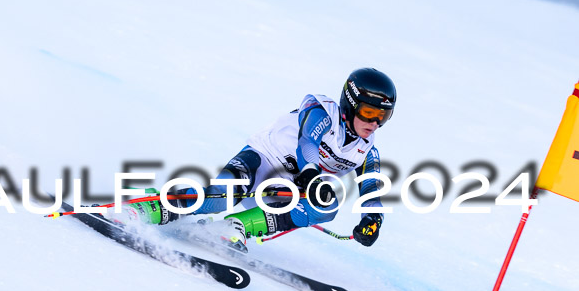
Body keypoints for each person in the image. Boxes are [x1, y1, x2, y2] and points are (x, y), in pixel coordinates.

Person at [130, 67, 397, 247]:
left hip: (286, 189)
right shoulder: (321, 110)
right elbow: (308, 143)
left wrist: (373, 220)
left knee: (326, 207)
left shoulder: (367, 151)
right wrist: (312, 174)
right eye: (368, 113)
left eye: (382, 117)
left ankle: (234, 228)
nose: (374, 123)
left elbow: (372, 188)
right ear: (350, 104)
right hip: (262, 161)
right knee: (219, 198)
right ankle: (148, 205)